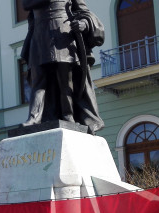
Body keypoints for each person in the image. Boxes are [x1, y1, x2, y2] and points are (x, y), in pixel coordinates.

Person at [20, 0, 105, 133]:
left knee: (65, 80)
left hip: (63, 34)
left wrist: (84, 24)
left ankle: (68, 115)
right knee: (38, 80)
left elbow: (84, 12)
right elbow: (26, 4)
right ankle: (34, 118)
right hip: (39, 35)